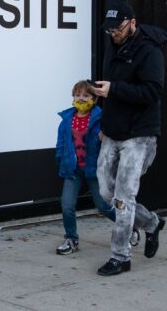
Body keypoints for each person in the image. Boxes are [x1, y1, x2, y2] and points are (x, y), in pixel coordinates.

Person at [90, 0, 167, 276]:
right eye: (110, 30)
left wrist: (115, 90)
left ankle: (120, 256)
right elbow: (110, 90)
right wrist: (102, 117)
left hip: (139, 135)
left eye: (118, 29)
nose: (114, 34)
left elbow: (152, 92)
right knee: (106, 192)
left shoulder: (150, 51)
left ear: (132, 22)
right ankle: (152, 223)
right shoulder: (113, 46)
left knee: (123, 198)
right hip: (112, 131)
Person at [54, 80, 116, 255]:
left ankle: (128, 226)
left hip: (94, 170)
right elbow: (61, 143)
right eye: (78, 95)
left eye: (86, 95)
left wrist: (105, 137)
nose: (81, 99)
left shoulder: (100, 118)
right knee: (67, 205)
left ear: (94, 99)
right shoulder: (67, 120)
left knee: (103, 206)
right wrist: (61, 159)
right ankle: (71, 239)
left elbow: (111, 141)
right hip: (73, 170)